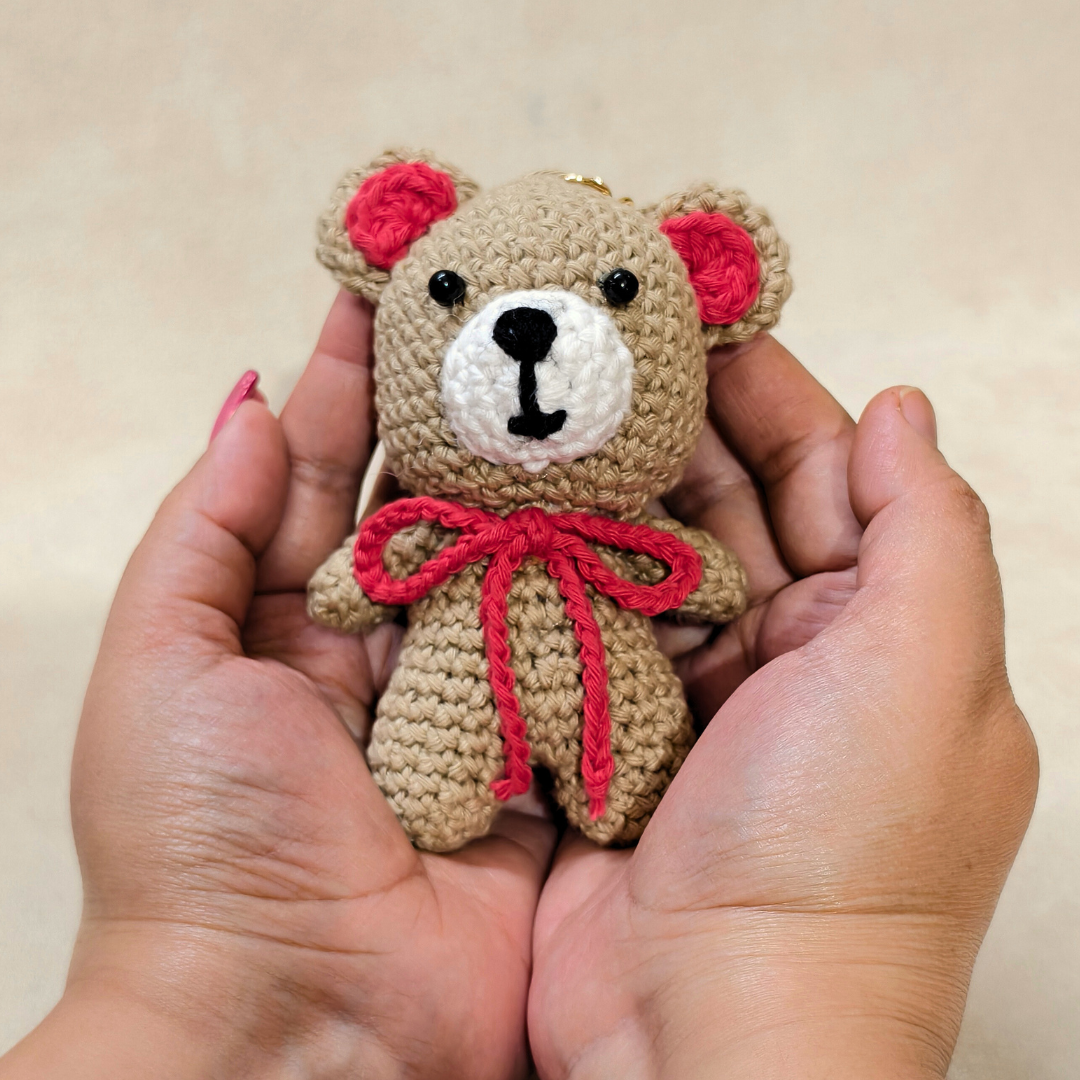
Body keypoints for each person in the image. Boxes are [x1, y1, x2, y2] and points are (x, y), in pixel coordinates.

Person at [0, 292, 1037, 1080]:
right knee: (439, 760)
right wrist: (819, 971)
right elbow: (357, 580)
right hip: (448, 690)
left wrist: (816, 939)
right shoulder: (434, 531)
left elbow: (702, 576)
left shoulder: (611, 532)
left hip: (612, 688)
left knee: (630, 760)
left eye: (615, 294)